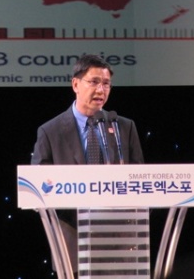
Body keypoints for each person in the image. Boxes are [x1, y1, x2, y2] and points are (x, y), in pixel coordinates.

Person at [31, 54, 144, 274]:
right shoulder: (50, 131)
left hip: (119, 239)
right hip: (73, 238)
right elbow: (38, 187)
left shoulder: (124, 127)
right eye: (94, 82)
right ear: (75, 84)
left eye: (106, 84)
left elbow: (138, 179)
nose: (101, 90)